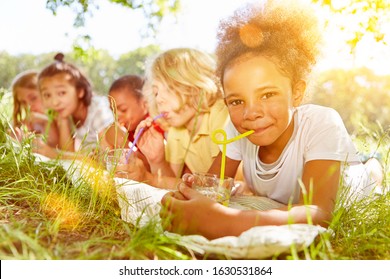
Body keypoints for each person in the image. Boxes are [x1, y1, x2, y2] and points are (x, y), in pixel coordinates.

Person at [159, 0, 382, 240]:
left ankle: (374, 170)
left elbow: (318, 213)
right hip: (286, 203)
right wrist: (192, 193)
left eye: (267, 94)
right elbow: (215, 187)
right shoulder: (236, 129)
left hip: (356, 187)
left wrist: (224, 221)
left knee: (369, 178)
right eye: (236, 101)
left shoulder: (322, 122)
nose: (250, 113)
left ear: (296, 93)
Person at [115, 48, 229, 189]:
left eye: (168, 89)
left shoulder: (220, 115)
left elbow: (221, 186)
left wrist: (147, 178)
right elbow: (170, 184)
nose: (159, 100)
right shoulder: (177, 130)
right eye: (156, 93)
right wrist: (157, 160)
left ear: (195, 86)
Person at [33, 53, 128, 159]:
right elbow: (68, 152)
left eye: (62, 93)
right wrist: (63, 122)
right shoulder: (68, 113)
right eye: (47, 95)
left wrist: (52, 154)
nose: (55, 102)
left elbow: (106, 158)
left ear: (80, 91)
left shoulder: (98, 110)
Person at [108, 74, 165, 144]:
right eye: (113, 111)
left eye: (123, 110)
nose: (116, 117)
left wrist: (124, 144)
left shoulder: (155, 126)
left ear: (144, 104)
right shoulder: (131, 130)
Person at [10, 70, 59, 147]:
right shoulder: (23, 123)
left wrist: (46, 122)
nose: (28, 106)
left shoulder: (59, 118)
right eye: (23, 102)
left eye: (33, 98)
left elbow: (55, 147)